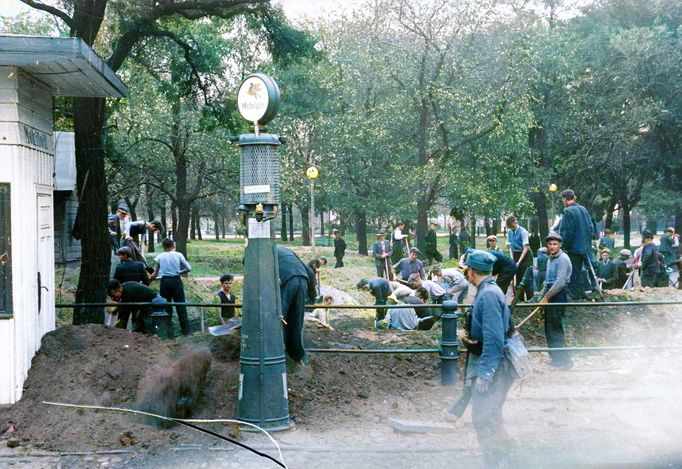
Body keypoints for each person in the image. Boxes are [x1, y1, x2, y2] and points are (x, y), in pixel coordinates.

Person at [456, 249, 515, 467]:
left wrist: (485, 374)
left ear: (471, 271)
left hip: (493, 368)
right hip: (494, 365)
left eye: (466, 270)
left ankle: (498, 463)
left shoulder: (488, 295)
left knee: (484, 420)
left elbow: (494, 340)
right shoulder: (490, 290)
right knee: (491, 419)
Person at [277, 246, 317, 364]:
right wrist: (313, 295)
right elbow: (309, 272)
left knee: (279, 317)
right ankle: (297, 355)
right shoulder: (287, 251)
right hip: (303, 279)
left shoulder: (262, 252)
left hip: (287, 280)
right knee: (296, 319)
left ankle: (278, 353)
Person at [539, 232, 573, 368]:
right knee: (549, 328)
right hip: (549, 294)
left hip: (558, 295)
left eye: (555, 244)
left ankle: (565, 361)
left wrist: (547, 296)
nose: (552, 247)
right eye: (550, 244)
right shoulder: (550, 258)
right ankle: (555, 359)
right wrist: (542, 296)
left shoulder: (563, 259)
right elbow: (547, 281)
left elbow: (560, 282)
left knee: (555, 328)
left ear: (560, 245)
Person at [556, 189, 597, 300]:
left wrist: (565, 247)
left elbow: (568, 231)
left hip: (574, 248)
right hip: (585, 246)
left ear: (564, 199)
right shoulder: (583, 209)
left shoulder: (568, 211)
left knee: (574, 271)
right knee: (587, 270)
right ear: (574, 197)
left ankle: (575, 294)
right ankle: (590, 290)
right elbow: (591, 227)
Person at [150, 238, 192, 337]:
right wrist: (179, 272)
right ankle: (187, 333)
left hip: (165, 282)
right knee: (181, 306)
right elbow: (189, 268)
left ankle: (169, 334)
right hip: (176, 281)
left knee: (167, 308)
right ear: (173, 245)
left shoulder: (159, 257)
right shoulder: (178, 255)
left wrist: (150, 277)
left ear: (163, 246)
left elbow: (155, 274)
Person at [505, 216, 533, 300]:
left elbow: (526, 248)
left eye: (512, 226)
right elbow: (510, 247)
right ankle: (519, 300)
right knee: (518, 279)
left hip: (525, 255)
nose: (512, 228)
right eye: (510, 227)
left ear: (515, 222)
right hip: (516, 254)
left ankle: (530, 300)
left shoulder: (523, 231)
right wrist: (513, 260)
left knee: (526, 278)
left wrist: (519, 262)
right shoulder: (509, 232)